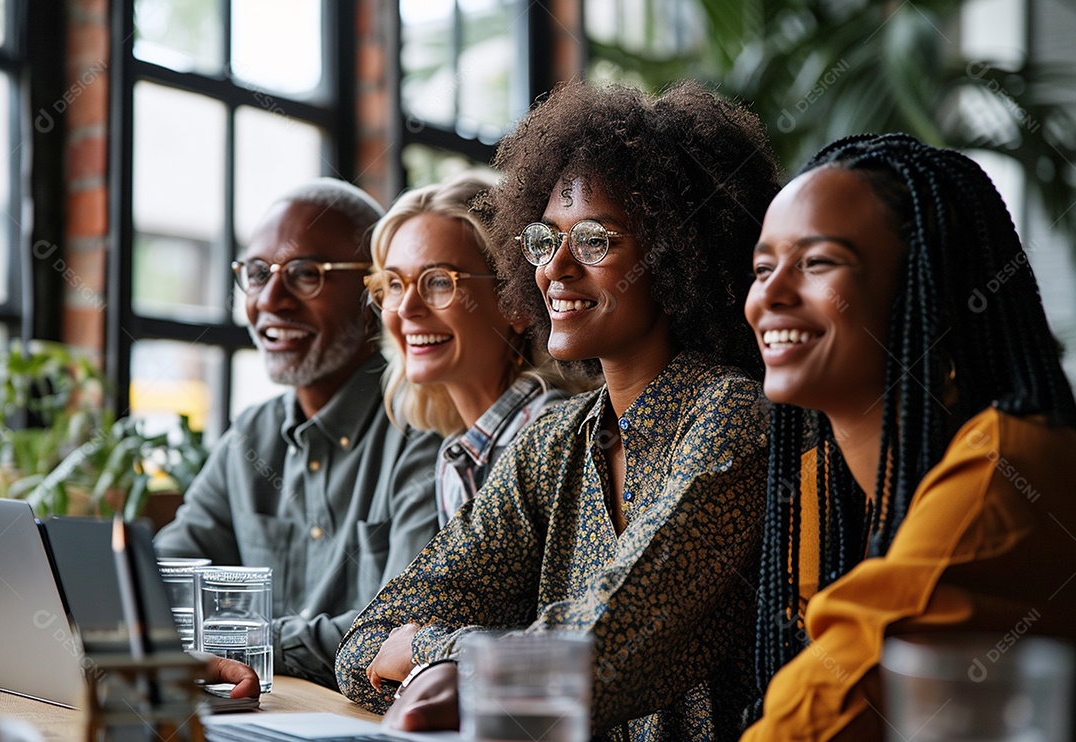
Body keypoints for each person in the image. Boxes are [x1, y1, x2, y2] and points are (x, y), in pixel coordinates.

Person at [335, 79, 781, 740]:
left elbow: (595, 653)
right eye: (545, 240)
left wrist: (435, 655)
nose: (556, 268)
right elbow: (367, 640)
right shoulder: (557, 440)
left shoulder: (733, 418)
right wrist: (461, 665)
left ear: (677, 254)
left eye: (596, 241)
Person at [741, 133, 1076, 739]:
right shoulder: (820, 492)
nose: (772, 293)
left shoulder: (1005, 472)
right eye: (764, 267)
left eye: (817, 263)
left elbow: (814, 719)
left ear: (930, 296)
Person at [155, 178, 442, 690]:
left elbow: (399, 634)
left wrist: (231, 642)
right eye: (258, 273)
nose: (271, 300)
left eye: (306, 274)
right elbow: (163, 577)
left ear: (376, 290)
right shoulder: (252, 436)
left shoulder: (423, 429)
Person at [364, 171, 570, 530]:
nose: (407, 308)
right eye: (394, 284)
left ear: (515, 302)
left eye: (440, 281)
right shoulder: (463, 450)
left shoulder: (549, 441)